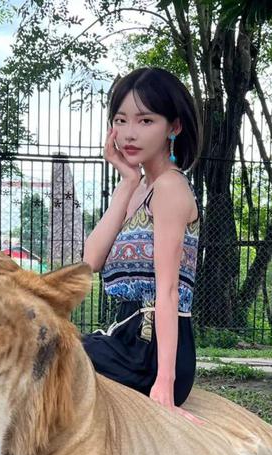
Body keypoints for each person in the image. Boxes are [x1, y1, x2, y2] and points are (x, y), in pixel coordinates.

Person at [82, 67, 203, 422]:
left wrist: (165, 383)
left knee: (45, 354)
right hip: (124, 337)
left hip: (150, 351)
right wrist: (128, 180)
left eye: (145, 120)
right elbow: (91, 260)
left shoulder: (170, 188)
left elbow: (168, 291)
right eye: (120, 120)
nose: (129, 133)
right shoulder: (140, 189)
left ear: (174, 127)